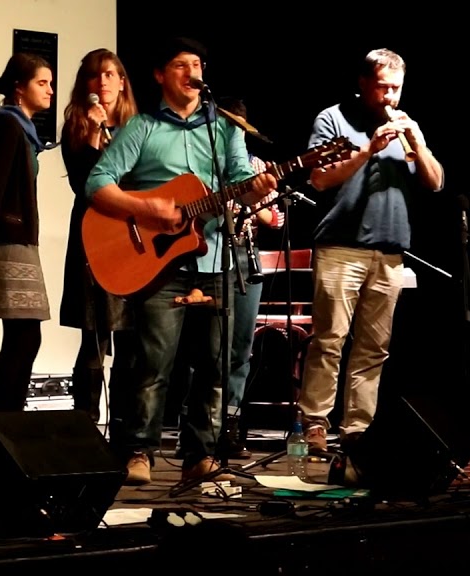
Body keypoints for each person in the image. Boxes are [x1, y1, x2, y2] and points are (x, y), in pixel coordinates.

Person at [86, 37, 278, 485]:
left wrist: (258, 185)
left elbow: (239, 182)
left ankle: (200, 455)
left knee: (214, 363)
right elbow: (98, 182)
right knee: (154, 362)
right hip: (157, 260)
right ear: (159, 75)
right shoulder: (143, 127)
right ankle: (140, 452)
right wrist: (147, 209)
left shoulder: (225, 128)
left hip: (215, 258)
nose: (193, 72)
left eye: (198, 64)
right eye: (181, 64)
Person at [297, 48, 444, 454]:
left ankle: (357, 428)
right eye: (383, 87)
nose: (390, 97)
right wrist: (368, 151)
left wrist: (416, 140)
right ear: (363, 84)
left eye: (396, 88)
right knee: (329, 340)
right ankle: (314, 423)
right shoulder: (333, 119)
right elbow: (320, 180)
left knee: (374, 348)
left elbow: (435, 182)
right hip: (341, 248)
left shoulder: (405, 126)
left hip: (390, 251)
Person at [0, 53, 55, 412]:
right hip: (8, 240)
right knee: (23, 337)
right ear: (19, 87)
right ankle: (4, 423)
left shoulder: (24, 129)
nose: (50, 90)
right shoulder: (5, 124)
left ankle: (8, 421)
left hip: (20, 241)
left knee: (25, 338)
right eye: (42, 83)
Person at [59, 48, 139, 437]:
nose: (102, 82)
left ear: (122, 81)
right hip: (93, 237)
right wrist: (93, 134)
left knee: (130, 338)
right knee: (93, 336)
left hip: (136, 242)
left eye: (110, 74)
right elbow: (84, 186)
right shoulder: (75, 127)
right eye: (94, 76)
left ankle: (125, 430)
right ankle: (84, 427)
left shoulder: (139, 128)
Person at [222, 98, 284, 458]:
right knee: (209, 347)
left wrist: (252, 201)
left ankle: (230, 425)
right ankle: (195, 427)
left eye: (240, 128)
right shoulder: (208, 163)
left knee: (241, 348)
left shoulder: (257, 166)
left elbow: (275, 220)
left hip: (246, 260)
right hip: (212, 257)